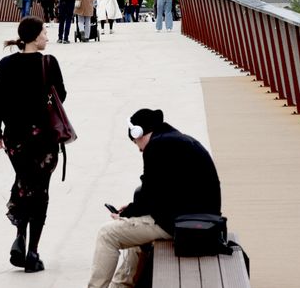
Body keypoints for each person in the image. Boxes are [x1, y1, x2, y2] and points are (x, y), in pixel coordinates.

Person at [87, 109, 222, 288]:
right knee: (133, 231)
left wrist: (126, 214)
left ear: (139, 133)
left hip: (183, 225)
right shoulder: (176, 140)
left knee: (107, 234)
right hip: (199, 220)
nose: (139, 148)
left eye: (135, 142)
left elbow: (149, 193)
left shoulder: (156, 147)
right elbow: (160, 191)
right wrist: (131, 210)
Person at [0, 17, 67, 274]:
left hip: (15, 137)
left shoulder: (6, 64)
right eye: (44, 33)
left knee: (24, 183)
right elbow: (61, 95)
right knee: (40, 189)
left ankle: (20, 236)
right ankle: (32, 251)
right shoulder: (48, 63)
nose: (47, 37)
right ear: (34, 36)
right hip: (44, 137)